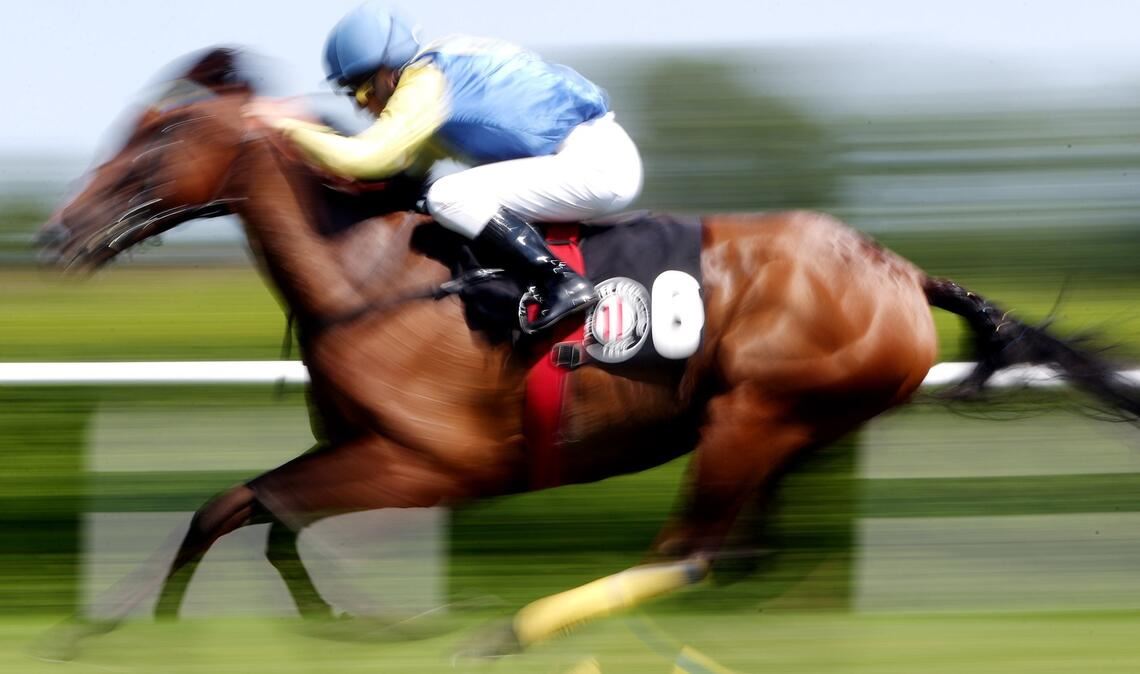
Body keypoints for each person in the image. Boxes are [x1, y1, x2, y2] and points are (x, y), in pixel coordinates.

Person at [251, 1, 643, 332]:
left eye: (363, 88)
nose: (359, 104)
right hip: (586, 155)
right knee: (439, 198)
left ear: (390, 72)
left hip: (595, 164)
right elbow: (406, 171)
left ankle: (560, 281)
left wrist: (285, 127)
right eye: (349, 94)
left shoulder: (425, 82)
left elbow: (369, 156)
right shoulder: (435, 76)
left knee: (449, 195)